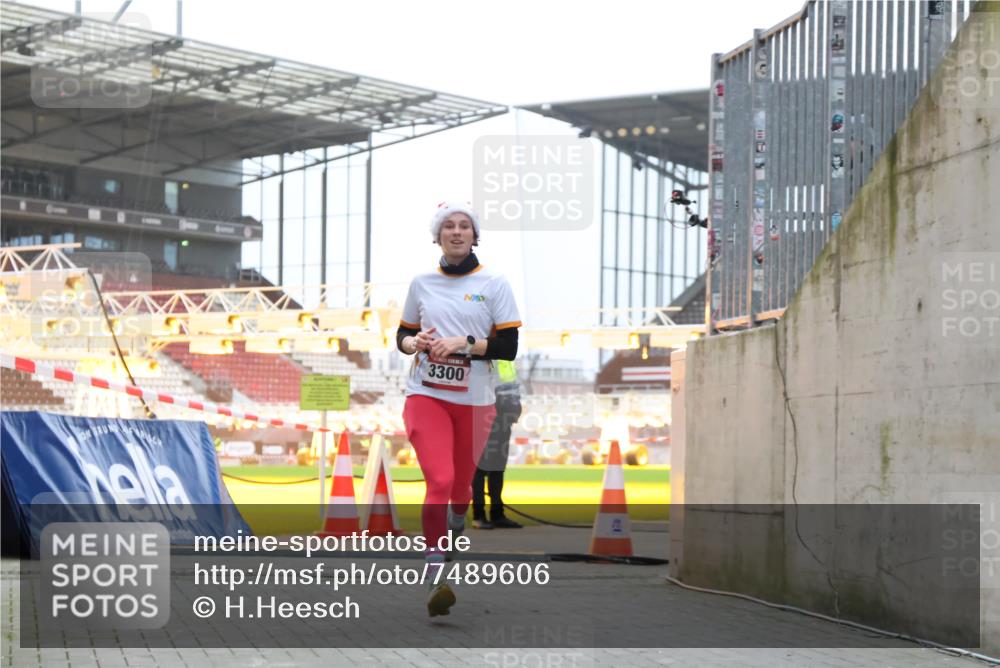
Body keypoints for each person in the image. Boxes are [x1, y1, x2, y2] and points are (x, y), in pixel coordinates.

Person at [396, 201, 520, 617]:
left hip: (475, 401)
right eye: (447, 226)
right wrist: (414, 345)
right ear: (437, 236)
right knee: (441, 478)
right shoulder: (421, 282)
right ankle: (435, 571)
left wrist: (464, 343)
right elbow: (404, 333)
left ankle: (455, 523)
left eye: (464, 226)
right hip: (425, 394)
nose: (456, 231)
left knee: (461, 488)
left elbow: (508, 349)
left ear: (474, 235)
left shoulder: (495, 283)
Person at [471, 360, 522, 529]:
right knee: (481, 469)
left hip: (503, 417)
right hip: (484, 414)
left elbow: (512, 387)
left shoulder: (505, 358)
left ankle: (496, 514)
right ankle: (479, 516)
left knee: (497, 468)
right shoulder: (483, 350)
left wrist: (514, 410)